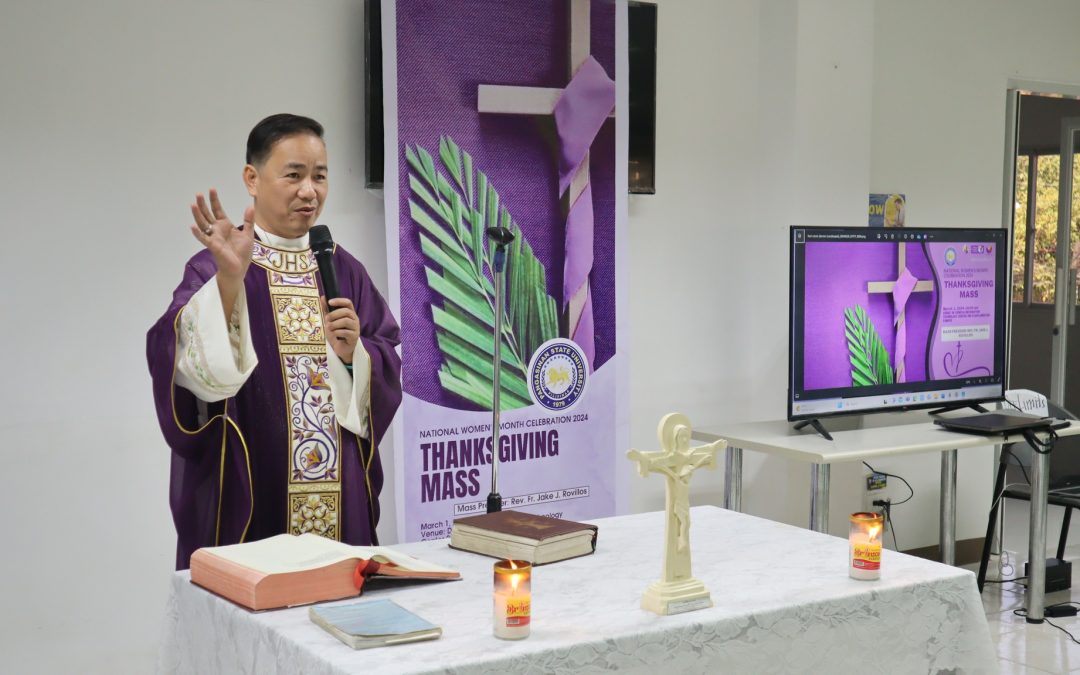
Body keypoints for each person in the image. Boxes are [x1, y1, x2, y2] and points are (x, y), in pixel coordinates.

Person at [147, 114, 402, 570]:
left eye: (320, 176)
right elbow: (183, 364)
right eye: (295, 175)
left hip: (337, 504)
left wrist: (353, 358)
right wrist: (228, 283)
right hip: (254, 497)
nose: (310, 191)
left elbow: (385, 361)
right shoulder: (219, 268)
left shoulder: (345, 271)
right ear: (252, 178)